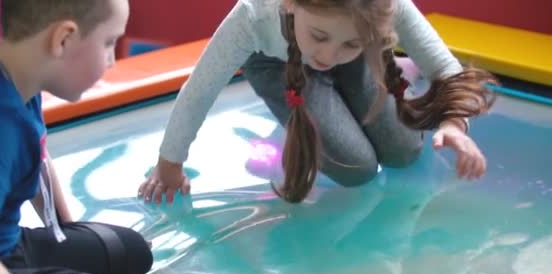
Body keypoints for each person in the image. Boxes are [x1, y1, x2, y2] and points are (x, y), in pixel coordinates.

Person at [0, 0, 173, 274]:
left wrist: (70, 229)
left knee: (130, 249)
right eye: (108, 43)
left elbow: (37, 153)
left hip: (6, 245)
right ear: (63, 39)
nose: (111, 61)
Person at [138, 0, 498, 204]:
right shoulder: (254, 15)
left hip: (362, 56)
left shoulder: (385, 7)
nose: (327, 54)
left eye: (347, 42)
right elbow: (199, 90)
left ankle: (393, 65)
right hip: (278, 62)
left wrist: (455, 124)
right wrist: (169, 163)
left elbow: (449, 72)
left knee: (404, 151)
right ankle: (367, 70)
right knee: (356, 168)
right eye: (320, 36)